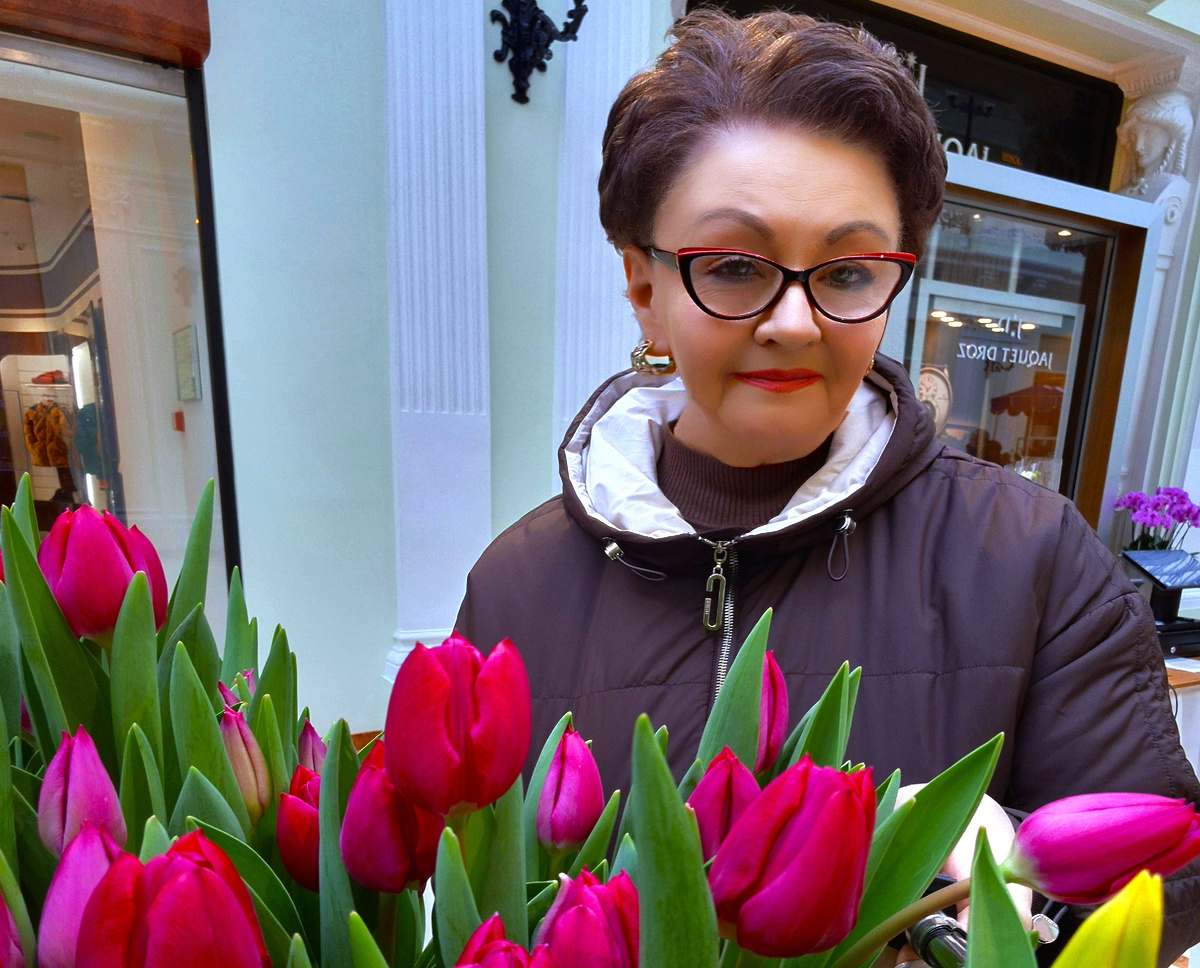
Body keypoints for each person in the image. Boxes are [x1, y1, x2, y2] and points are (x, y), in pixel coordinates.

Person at [455, 10, 1200, 963]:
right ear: (643, 284)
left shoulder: (1030, 555)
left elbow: (1170, 874)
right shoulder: (518, 586)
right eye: (733, 266)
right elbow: (473, 880)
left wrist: (992, 880)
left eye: (846, 270)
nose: (797, 322)